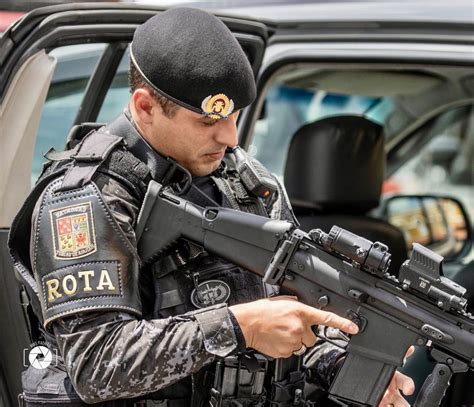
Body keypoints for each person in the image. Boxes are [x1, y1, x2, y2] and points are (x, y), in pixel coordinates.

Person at [9, 7, 414, 407]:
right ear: (145, 106)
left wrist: (338, 362)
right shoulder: (86, 198)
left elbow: (292, 316)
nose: (230, 137)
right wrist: (241, 327)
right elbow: (97, 365)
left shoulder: (245, 182)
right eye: (207, 122)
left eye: (235, 116)